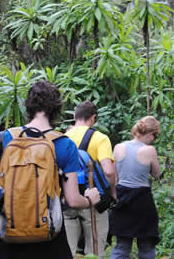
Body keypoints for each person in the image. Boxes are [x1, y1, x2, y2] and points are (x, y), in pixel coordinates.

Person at [0, 80, 100, 259]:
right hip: (48, 239)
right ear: (56, 109)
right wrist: (90, 200)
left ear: (28, 106)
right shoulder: (65, 144)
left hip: (6, 238)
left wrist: (9, 183)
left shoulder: (4, 138)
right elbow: (73, 200)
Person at [63, 101, 116, 258]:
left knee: (67, 250)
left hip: (68, 198)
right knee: (95, 249)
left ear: (74, 117)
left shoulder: (62, 138)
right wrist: (112, 192)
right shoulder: (100, 138)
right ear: (93, 118)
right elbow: (108, 170)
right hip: (93, 199)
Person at [109, 116, 161, 259]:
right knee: (146, 245)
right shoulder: (149, 150)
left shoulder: (118, 147)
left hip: (122, 196)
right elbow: (157, 174)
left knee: (121, 246)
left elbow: (114, 175)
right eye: (155, 136)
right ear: (150, 134)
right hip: (142, 199)